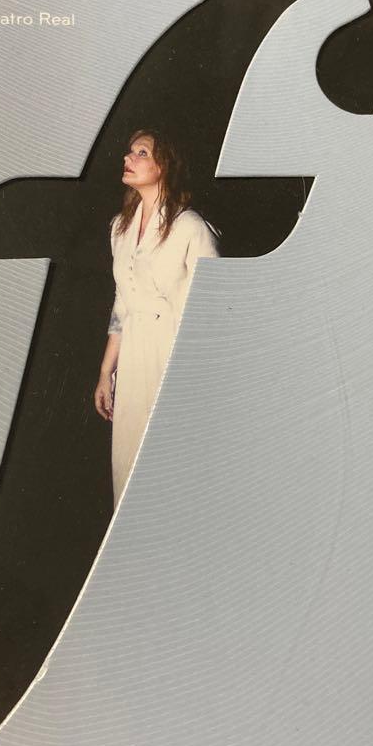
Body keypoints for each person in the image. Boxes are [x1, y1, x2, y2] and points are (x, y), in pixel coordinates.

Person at [93, 129, 219, 507]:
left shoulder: (190, 227)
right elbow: (124, 301)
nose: (128, 158)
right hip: (134, 357)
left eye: (142, 153)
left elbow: (211, 311)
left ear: (165, 165)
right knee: (129, 465)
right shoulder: (120, 228)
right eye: (129, 152)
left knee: (172, 469)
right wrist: (106, 371)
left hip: (174, 358)